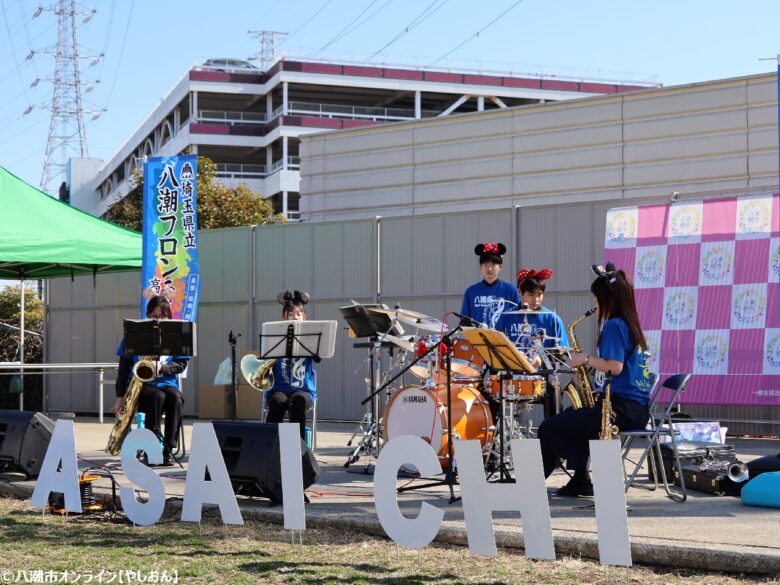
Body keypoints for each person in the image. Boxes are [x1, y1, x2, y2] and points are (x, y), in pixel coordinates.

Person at [537, 262, 654, 497]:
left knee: (549, 426)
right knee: (574, 417)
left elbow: (616, 367)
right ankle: (580, 478)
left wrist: (585, 359)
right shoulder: (630, 325)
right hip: (637, 410)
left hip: (618, 411)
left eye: (596, 298)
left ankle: (534, 480)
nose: (594, 304)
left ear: (608, 299)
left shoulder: (613, 325)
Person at [113, 293, 188, 466]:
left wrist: (162, 368)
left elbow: (181, 364)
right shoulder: (133, 335)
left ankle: (168, 449)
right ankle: (150, 449)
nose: (157, 320)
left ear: (169, 316)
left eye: (161, 316)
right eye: (153, 317)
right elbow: (123, 369)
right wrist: (120, 397)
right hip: (141, 386)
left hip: (167, 382)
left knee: (175, 398)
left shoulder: (176, 335)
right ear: (147, 316)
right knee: (156, 397)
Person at [265, 290, 319, 441]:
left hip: (303, 390)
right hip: (278, 389)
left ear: (304, 317)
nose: (295, 317)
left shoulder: (310, 338)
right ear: (283, 317)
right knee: (277, 402)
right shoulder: (275, 337)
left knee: (297, 402)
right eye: (290, 314)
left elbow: (319, 357)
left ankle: (298, 449)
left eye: (298, 314)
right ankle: (270, 445)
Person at [460, 242, 520, 329]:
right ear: (481, 267)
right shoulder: (471, 291)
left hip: (504, 340)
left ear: (500, 267)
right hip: (477, 339)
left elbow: (518, 317)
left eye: (493, 265)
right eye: (485, 265)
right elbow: (464, 319)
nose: (489, 268)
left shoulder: (510, 290)